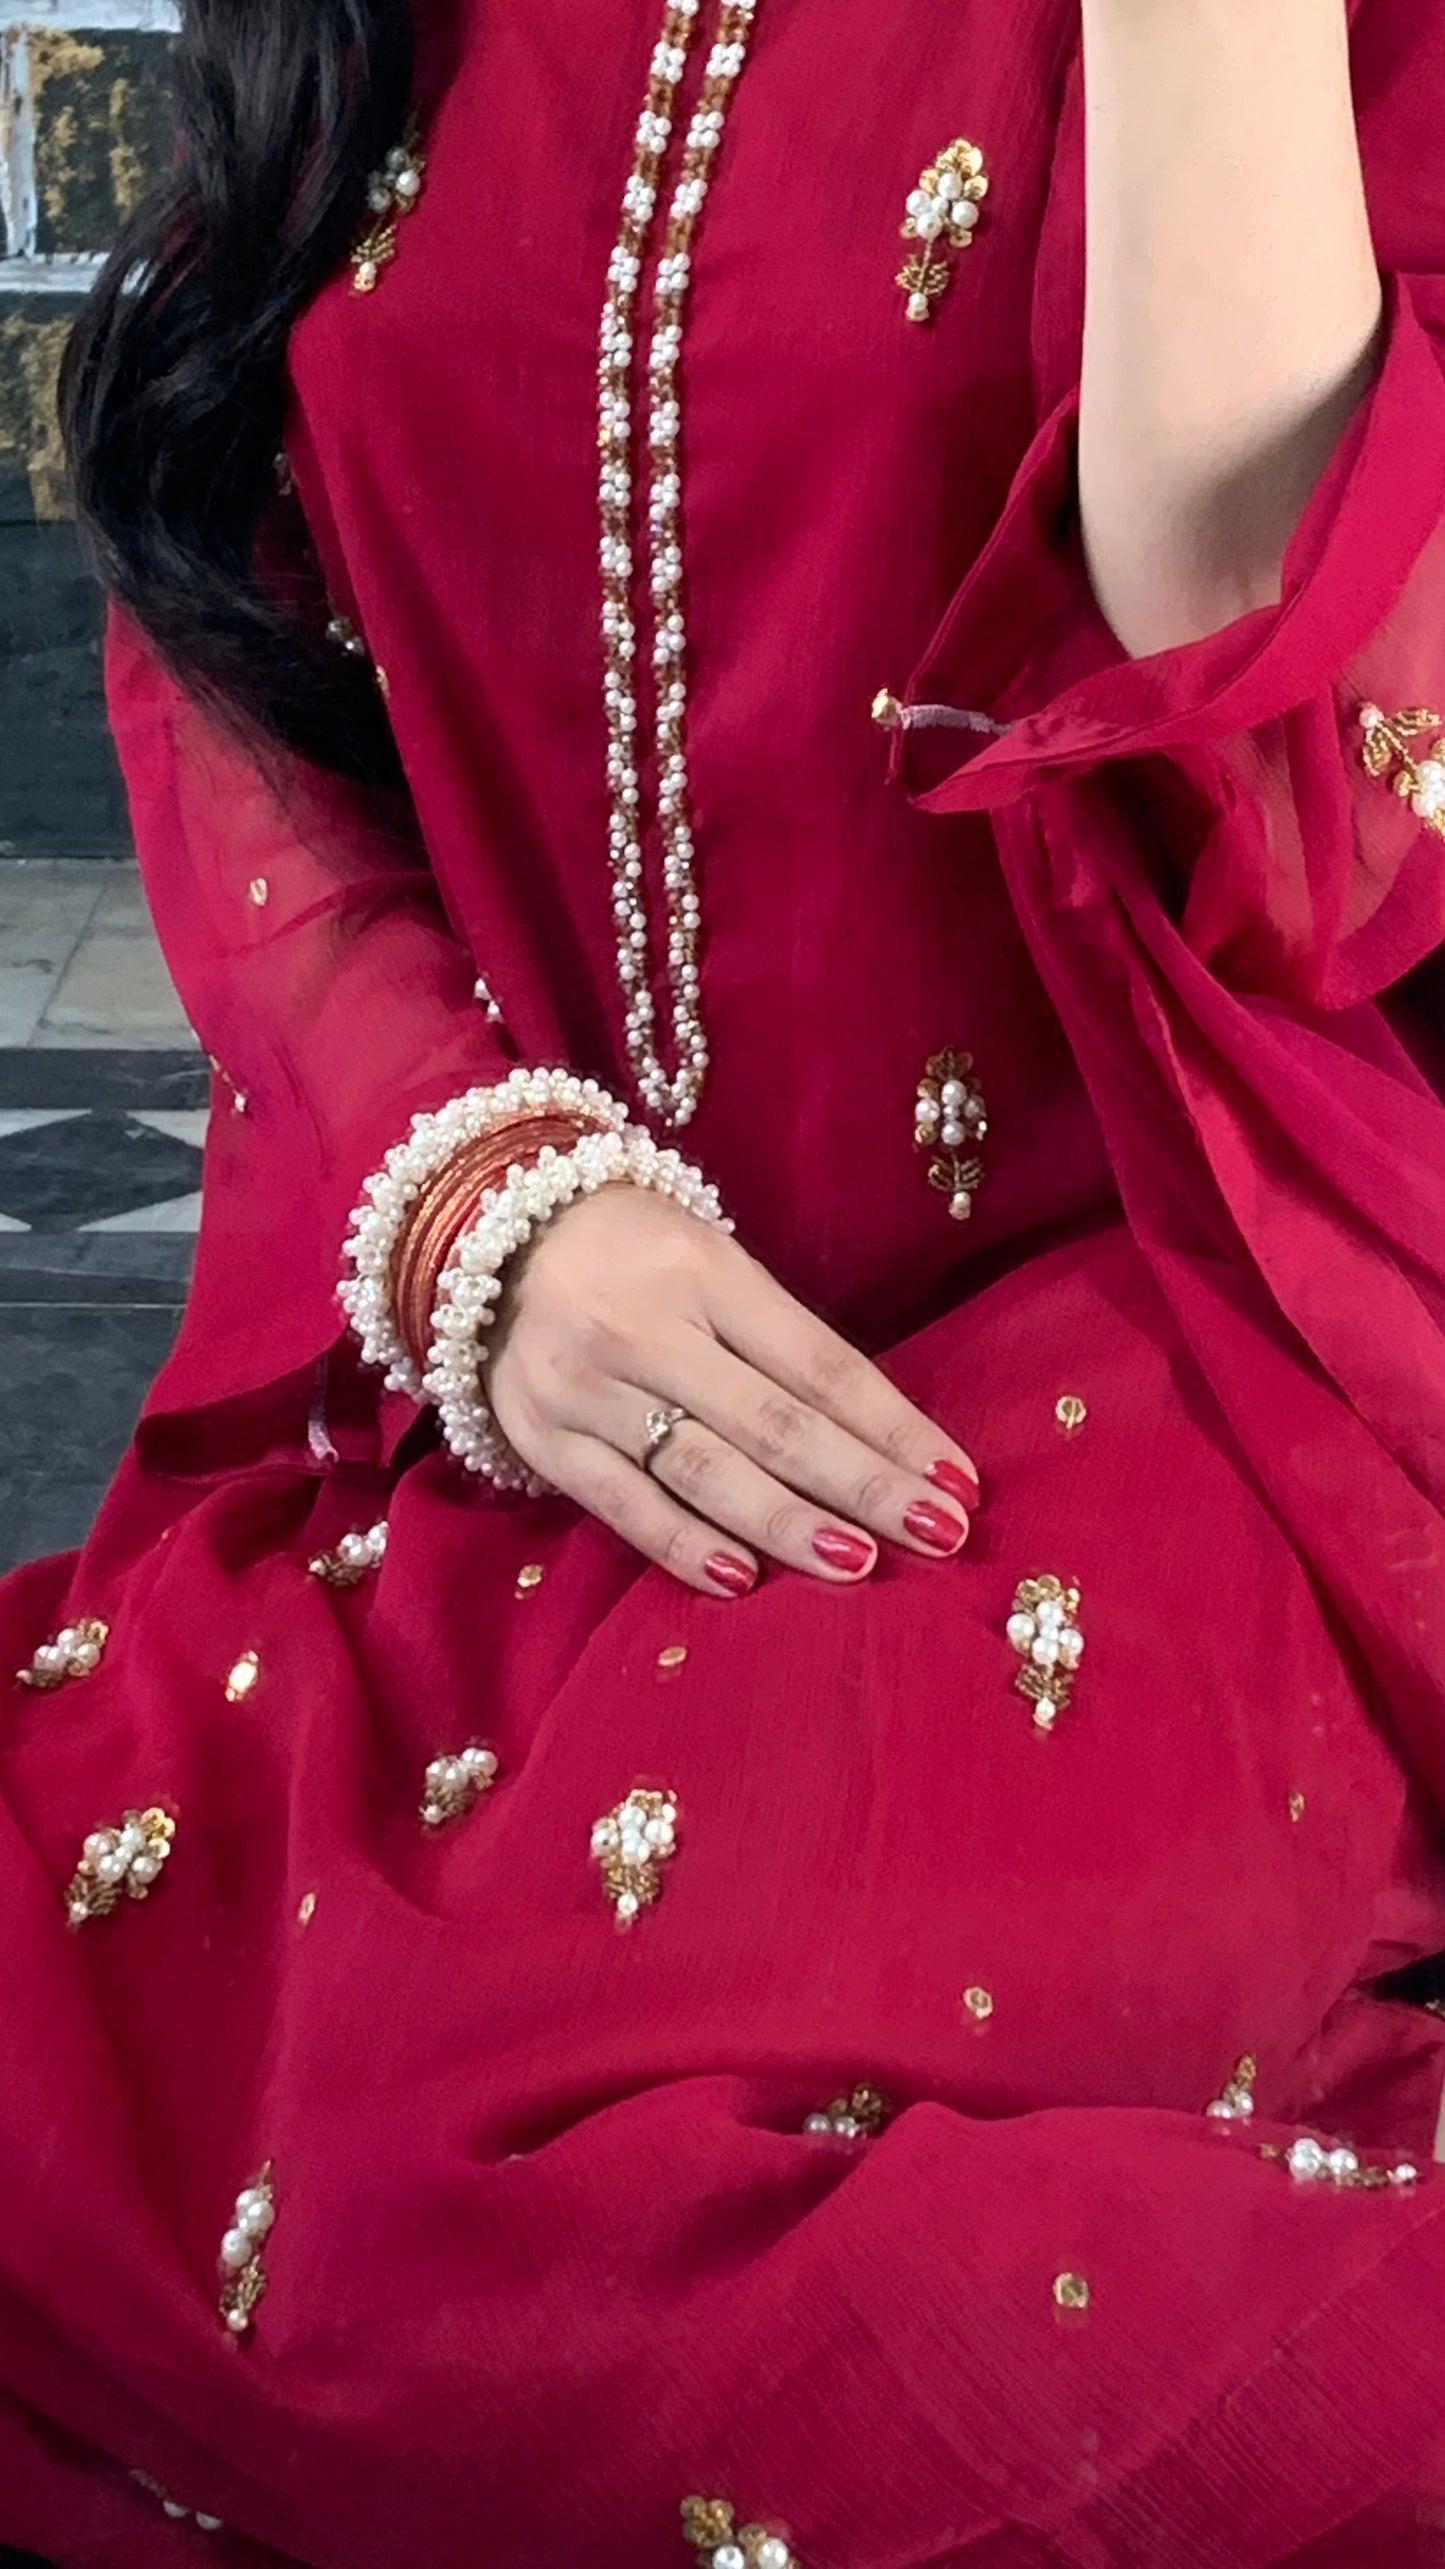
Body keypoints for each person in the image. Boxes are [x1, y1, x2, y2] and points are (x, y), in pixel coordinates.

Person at [3, 0, 1445, 2559]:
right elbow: (214, 603)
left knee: (600, 2279)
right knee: (113, 2061)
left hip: (1164, 1379)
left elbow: (1286, 743)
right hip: (506, 1408)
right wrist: (480, 1194)